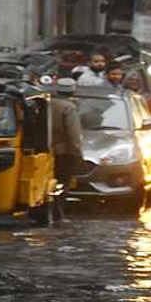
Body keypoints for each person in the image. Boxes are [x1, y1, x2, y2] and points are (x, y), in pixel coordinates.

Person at [50, 78, 83, 219]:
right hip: (63, 152)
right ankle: (58, 213)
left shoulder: (48, 103)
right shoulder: (69, 107)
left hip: (45, 150)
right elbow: (73, 133)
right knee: (62, 183)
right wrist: (77, 152)